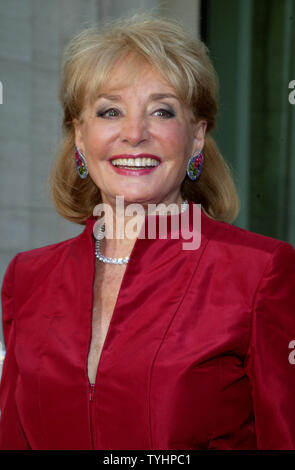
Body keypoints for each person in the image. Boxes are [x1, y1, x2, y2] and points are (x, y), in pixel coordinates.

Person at [0, 13, 295, 451]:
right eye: (110, 111)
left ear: (196, 137)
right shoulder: (28, 278)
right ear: (80, 136)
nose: (134, 134)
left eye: (161, 110)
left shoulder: (261, 273)